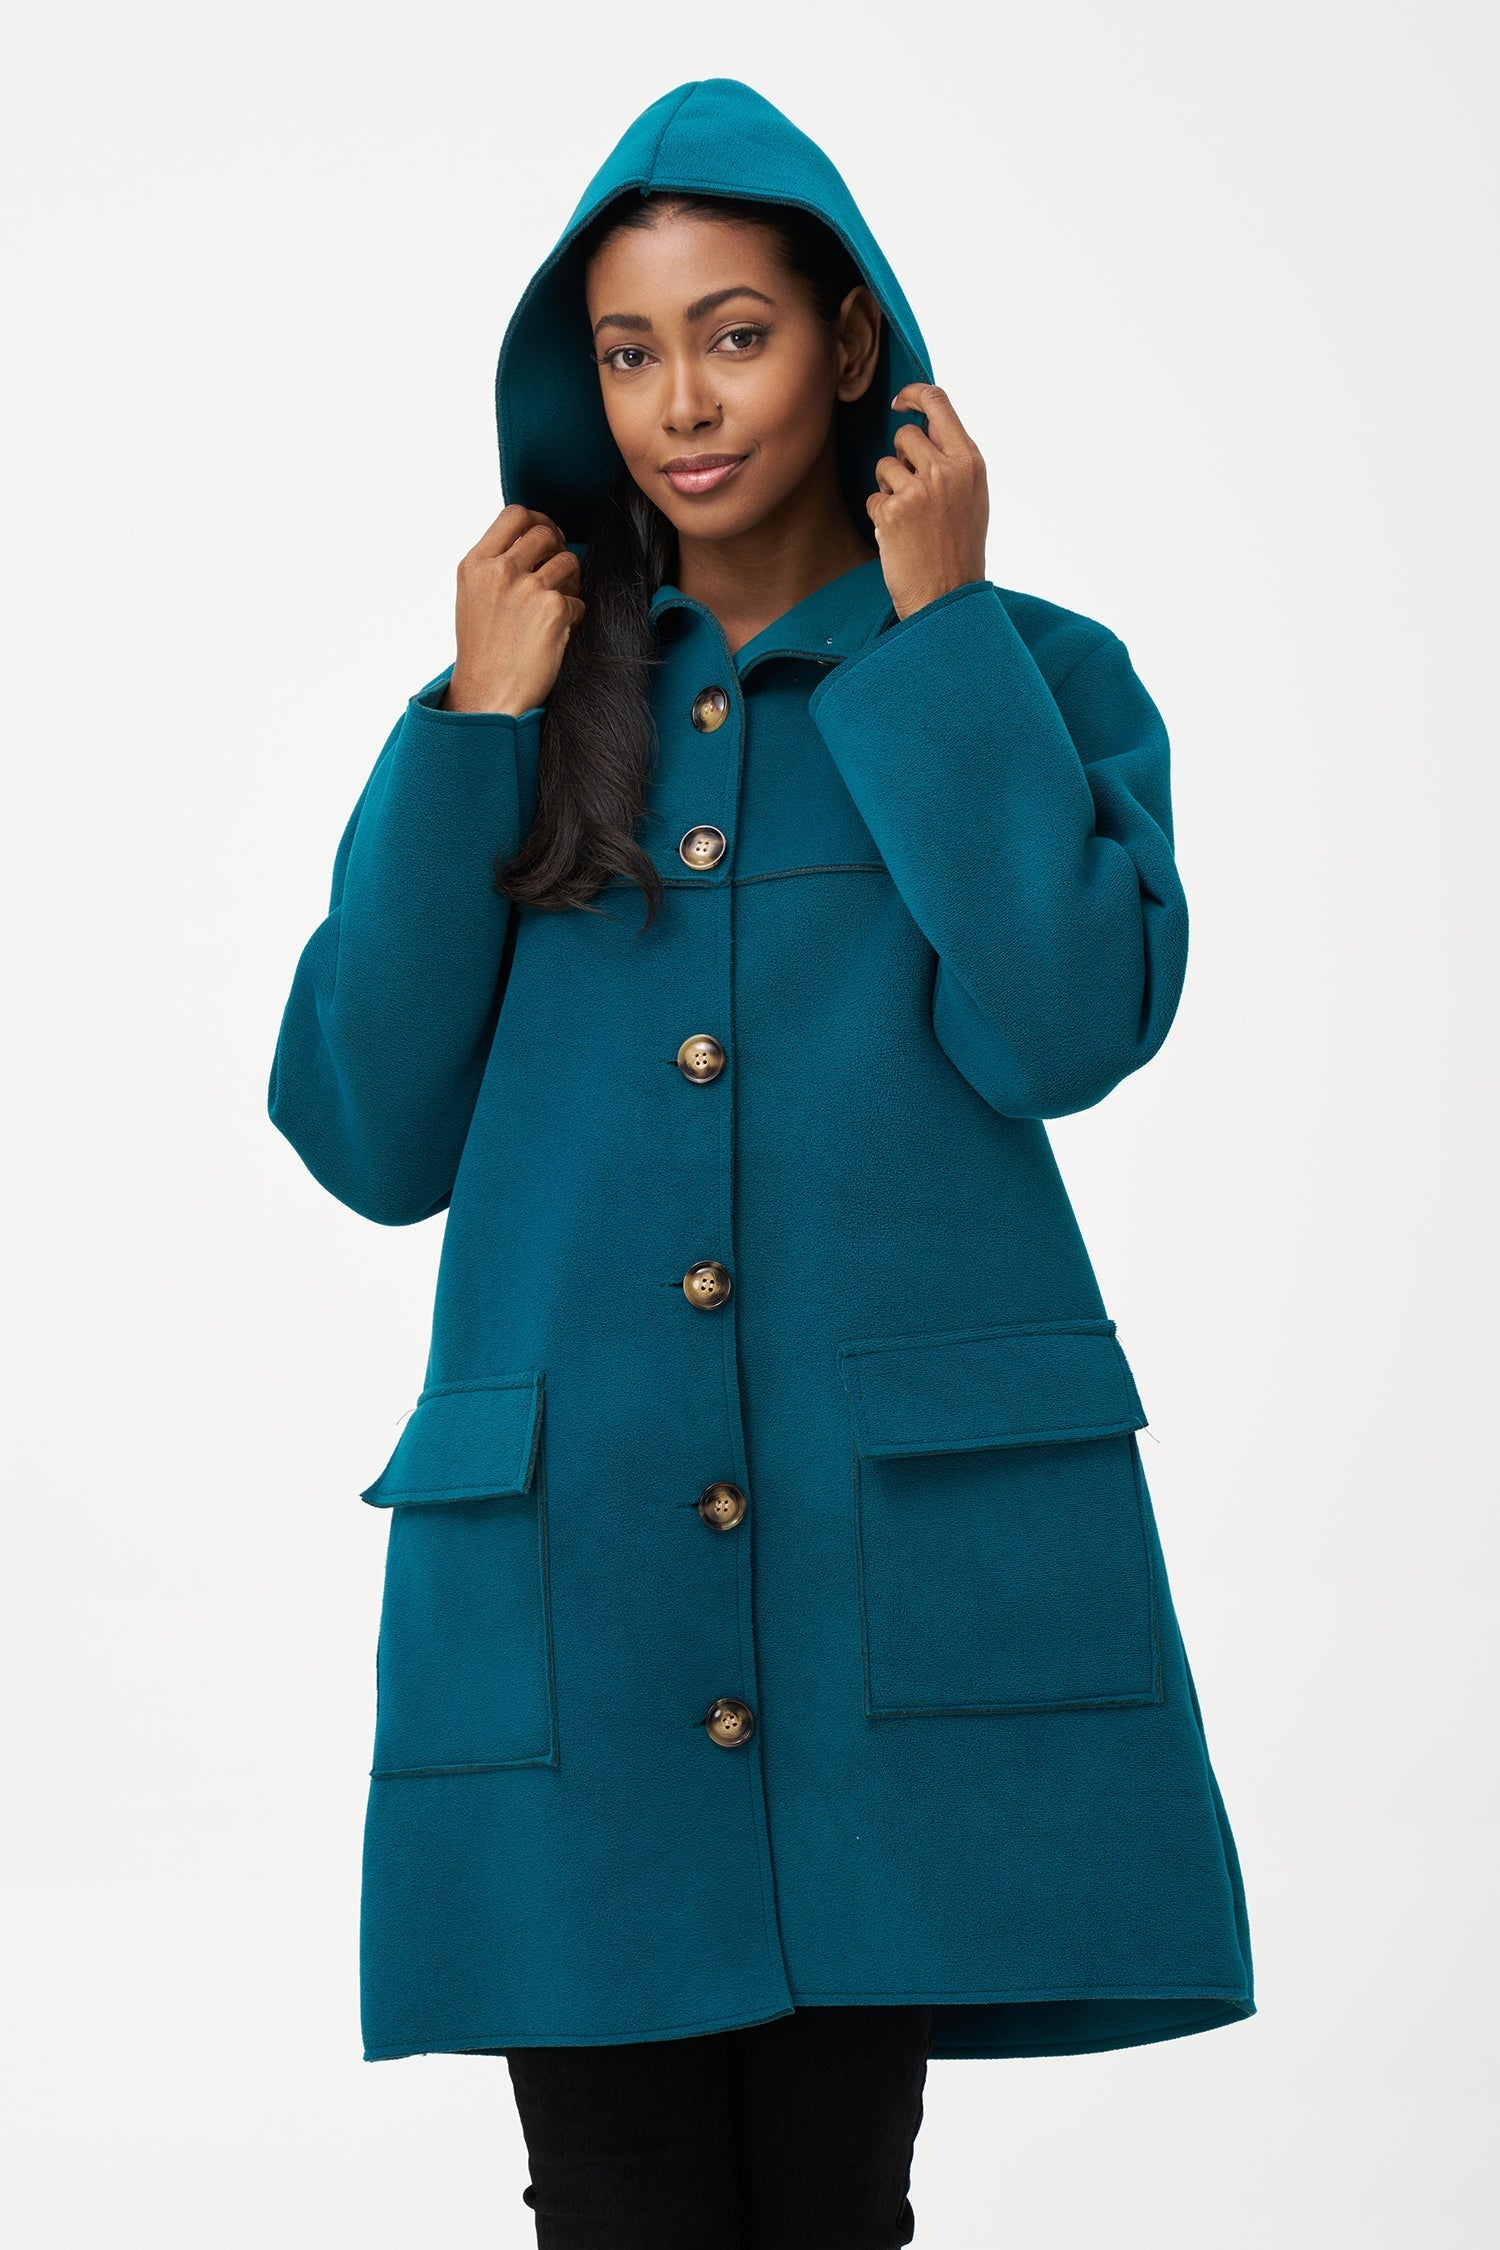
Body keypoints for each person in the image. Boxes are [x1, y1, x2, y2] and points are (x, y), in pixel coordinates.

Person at [268, 75, 1255, 2250]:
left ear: (852, 342)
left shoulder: (1028, 675)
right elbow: (366, 1130)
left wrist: (943, 633)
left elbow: (1064, 1027)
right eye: (629, 352)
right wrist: (474, 728)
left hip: (886, 1583)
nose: (681, 405)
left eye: (735, 335)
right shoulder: (513, 706)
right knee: (615, 2207)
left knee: (829, 2205)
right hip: (578, 1586)